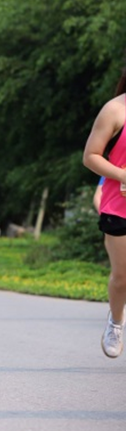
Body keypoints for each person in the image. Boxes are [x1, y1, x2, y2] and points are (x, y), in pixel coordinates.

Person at [83, 69, 126, 359]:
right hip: (118, 207)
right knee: (122, 276)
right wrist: (123, 175)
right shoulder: (115, 110)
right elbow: (91, 156)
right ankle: (116, 321)